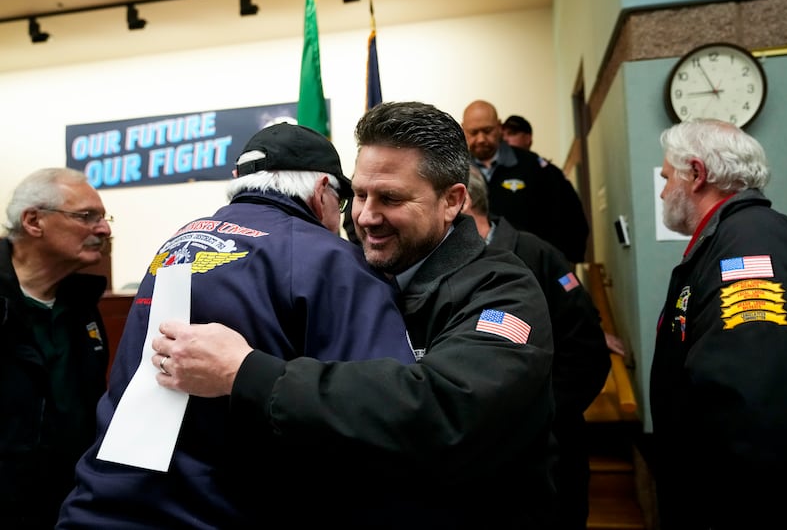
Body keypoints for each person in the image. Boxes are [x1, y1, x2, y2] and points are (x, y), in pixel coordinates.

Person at [145, 101, 557, 528]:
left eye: (391, 198)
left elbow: (446, 410)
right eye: (359, 194)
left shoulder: (503, 291)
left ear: (452, 201)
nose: (365, 216)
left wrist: (244, 372)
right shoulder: (351, 273)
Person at [57, 123, 417, 528]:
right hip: (219, 512)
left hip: (101, 502)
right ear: (321, 193)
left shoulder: (176, 242)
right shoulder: (332, 260)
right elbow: (387, 410)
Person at [649, 118, 787, 529]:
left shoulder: (750, 248)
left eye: (667, 177)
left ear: (696, 174)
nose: (663, 191)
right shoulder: (731, 238)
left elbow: (754, 399)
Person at [462, 164, 610, 530]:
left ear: (458, 201)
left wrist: (539, 413)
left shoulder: (538, 255)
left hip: (550, 458)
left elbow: (587, 352)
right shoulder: (441, 265)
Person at [0, 167, 112, 529]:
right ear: (34, 221)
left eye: (104, 217)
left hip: (68, 506)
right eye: (87, 216)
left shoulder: (82, 307)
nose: (104, 229)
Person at [462, 99, 590, 264]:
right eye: (473, 132)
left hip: (532, 266)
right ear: (462, 129)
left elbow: (571, 216)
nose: (480, 139)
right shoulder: (455, 173)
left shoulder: (534, 167)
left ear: (500, 127)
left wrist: (560, 261)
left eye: (487, 131)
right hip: (474, 269)